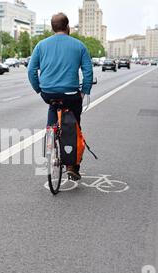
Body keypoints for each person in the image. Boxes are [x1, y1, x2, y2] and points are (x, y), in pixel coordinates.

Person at [28, 12, 93, 181]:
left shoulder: (41, 45)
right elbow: (88, 71)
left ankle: (51, 132)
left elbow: (31, 70)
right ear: (68, 27)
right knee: (74, 126)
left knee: (53, 107)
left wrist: (39, 89)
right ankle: (72, 166)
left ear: (52, 28)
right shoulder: (79, 46)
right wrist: (84, 90)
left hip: (48, 93)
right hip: (71, 94)